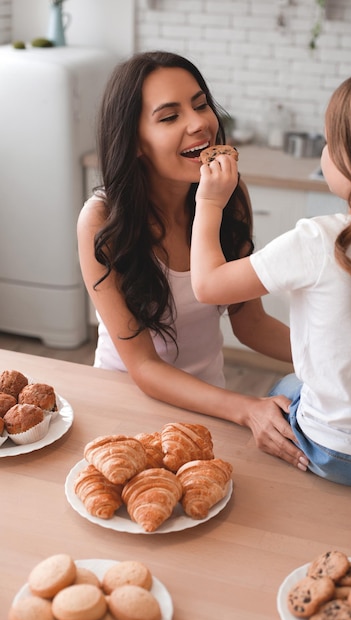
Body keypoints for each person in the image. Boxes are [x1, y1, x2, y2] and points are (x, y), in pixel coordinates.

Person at [77, 51, 309, 472]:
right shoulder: (101, 220)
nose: (199, 122)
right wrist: (247, 408)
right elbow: (144, 365)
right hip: (126, 403)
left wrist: (337, 355)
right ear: (135, 142)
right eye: (169, 117)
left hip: (208, 406)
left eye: (200, 104)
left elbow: (249, 322)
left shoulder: (227, 201)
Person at [190, 70, 351, 487]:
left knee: (282, 387)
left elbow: (207, 285)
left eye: (330, 141)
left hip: (335, 452)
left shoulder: (319, 239)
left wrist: (208, 203)